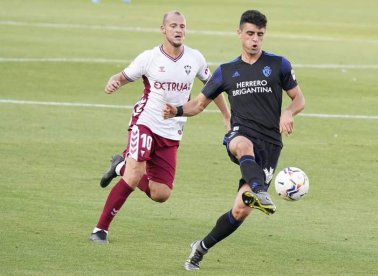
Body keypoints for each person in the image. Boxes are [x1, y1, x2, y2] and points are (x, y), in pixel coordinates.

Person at [163, 10, 305, 270]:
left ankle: (200, 247)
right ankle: (260, 190)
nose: (255, 40)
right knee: (242, 144)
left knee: (240, 210)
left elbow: (299, 99)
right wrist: (178, 110)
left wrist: (288, 111)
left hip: (270, 145)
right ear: (239, 34)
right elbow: (198, 104)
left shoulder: (278, 65)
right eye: (250, 33)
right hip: (240, 133)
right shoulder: (226, 72)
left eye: (260, 35)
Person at [89, 10, 230, 244]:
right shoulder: (149, 57)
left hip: (172, 130)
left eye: (182, 26)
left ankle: (120, 166)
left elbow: (213, 86)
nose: (178, 30)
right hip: (145, 122)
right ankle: (100, 229)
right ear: (163, 29)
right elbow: (123, 76)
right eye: (173, 26)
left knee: (161, 194)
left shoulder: (195, 58)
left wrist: (227, 116)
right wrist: (114, 81)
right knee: (135, 175)